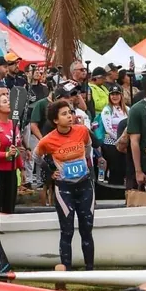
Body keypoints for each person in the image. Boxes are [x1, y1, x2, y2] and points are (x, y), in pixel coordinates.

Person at [36, 100, 96, 271]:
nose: (70, 116)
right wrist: (50, 172)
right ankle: (67, 271)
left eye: (70, 112)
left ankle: (90, 269)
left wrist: (85, 164)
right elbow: (36, 158)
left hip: (85, 185)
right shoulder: (47, 140)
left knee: (87, 229)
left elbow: (88, 146)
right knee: (67, 231)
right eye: (64, 114)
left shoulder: (82, 130)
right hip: (64, 188)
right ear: (55, 120)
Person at [0, 93, 25, 214]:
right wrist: (6, 155)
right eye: (5, 101)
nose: (8, 103)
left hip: (11, 171)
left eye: (8, 101)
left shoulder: (14, 124)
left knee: (10, 205)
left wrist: (21, 168)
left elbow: (16, 148)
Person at [100, 85, 129, 185]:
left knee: (124, 168)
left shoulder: (127, 110)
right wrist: (119, 140)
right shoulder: (107, 109)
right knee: (115, 168)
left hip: (124, 145)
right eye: (112, 94)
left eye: (117, 94)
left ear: (121, 95)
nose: (115, 96)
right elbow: (108, 129)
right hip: (111, 144)